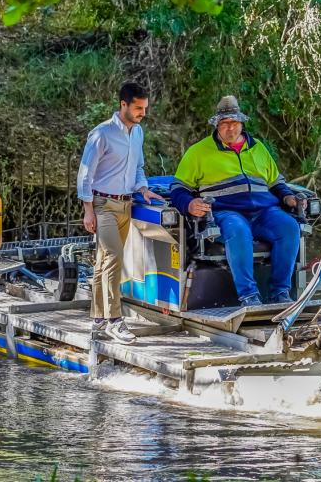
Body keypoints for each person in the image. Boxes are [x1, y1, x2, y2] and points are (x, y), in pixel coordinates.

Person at [171, 95, 302, 307]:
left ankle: (280, 293)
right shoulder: (198, 152)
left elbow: (276, 182)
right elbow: (178, 189)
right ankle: (248, 296)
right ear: (216, 126)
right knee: (238, 230)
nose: (230, 129)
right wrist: (189, 204)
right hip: (226, 212)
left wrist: (287, 196)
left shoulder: (258, 147)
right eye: (224, 124)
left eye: (234, 123)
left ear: (241, 123)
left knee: (289, 227)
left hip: (264, 212)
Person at [77, 82, 162, 343]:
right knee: (113, 257)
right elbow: (85, 175)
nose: (142, 113)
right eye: (138, 108)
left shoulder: (138, 133)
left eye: (145, 108)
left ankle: (98, 318)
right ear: (123, 105)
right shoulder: (101, 134)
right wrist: (88, 211)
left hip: (126, 204)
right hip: (103, 204)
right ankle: (115, 320)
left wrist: (144, 188)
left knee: (104, 261)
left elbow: (138, 167)